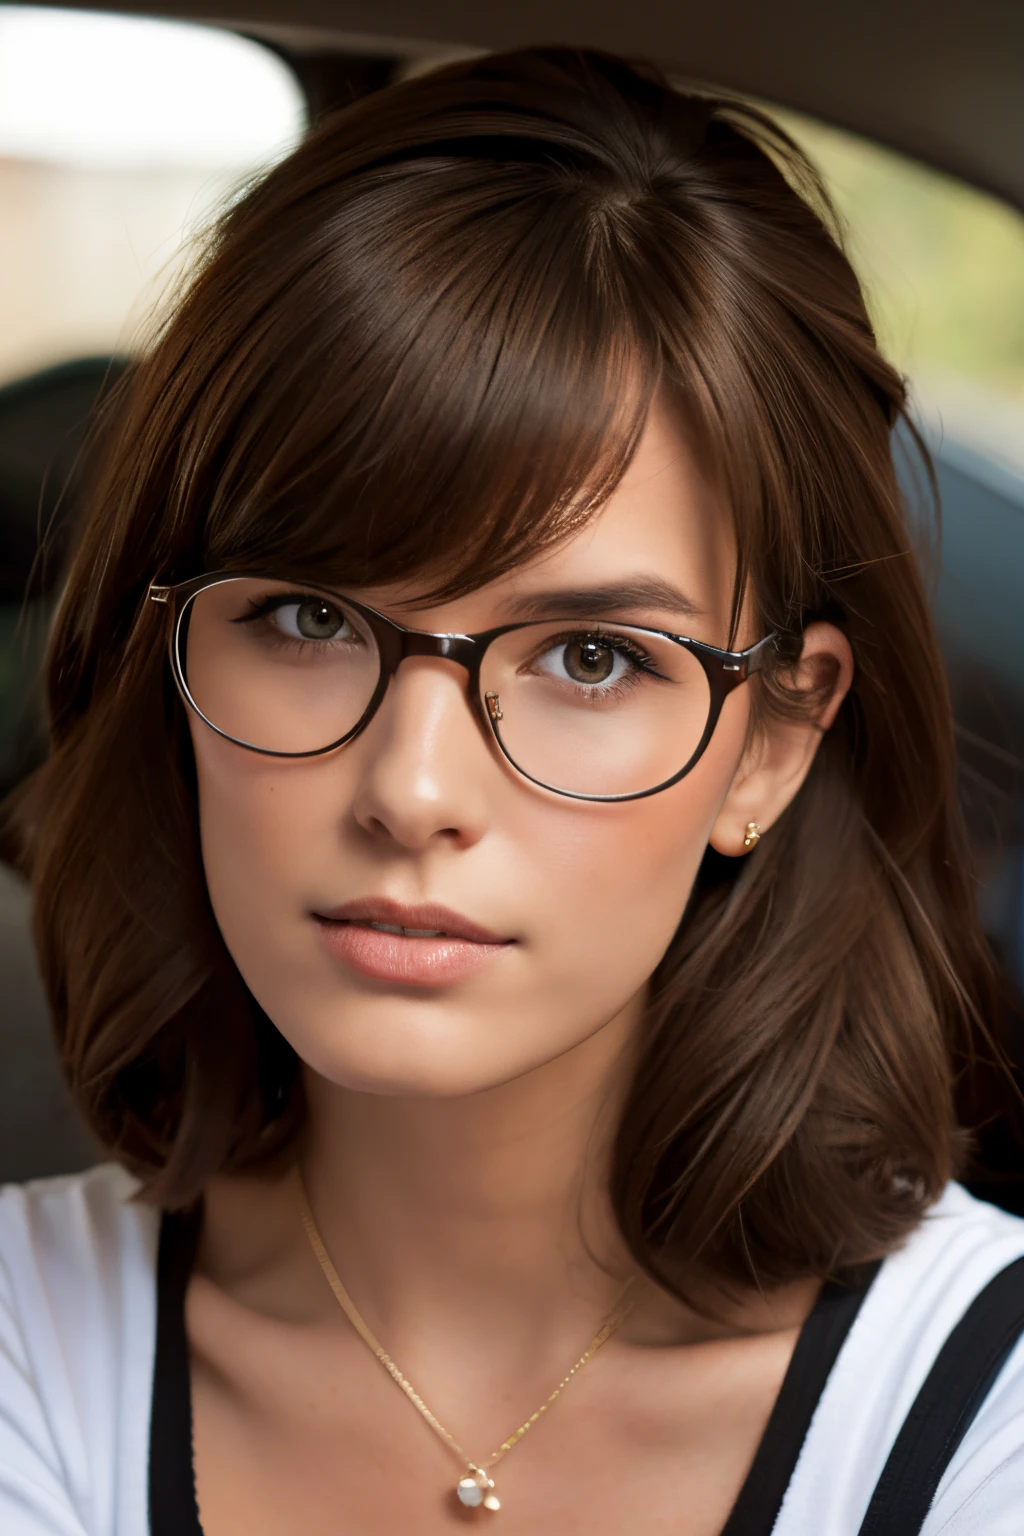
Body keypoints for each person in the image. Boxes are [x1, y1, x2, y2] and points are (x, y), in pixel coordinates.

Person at [1, 45, 1022, 1536]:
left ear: (772, 743)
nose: (412, 790)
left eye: (597, 658)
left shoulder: (986, 1414)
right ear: (169, 659)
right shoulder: (27, 1348)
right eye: (306, 619)